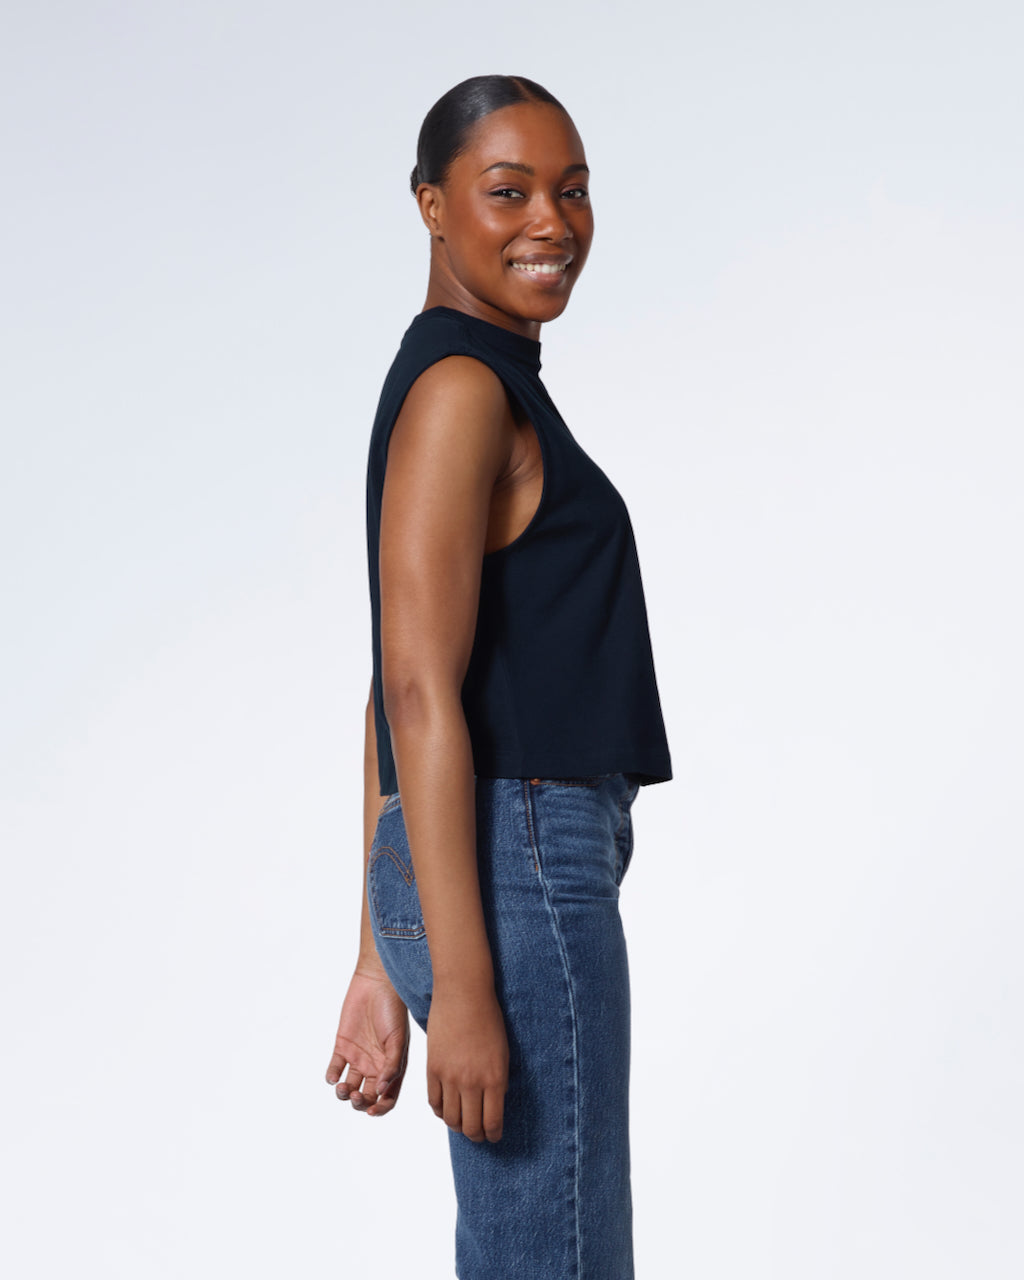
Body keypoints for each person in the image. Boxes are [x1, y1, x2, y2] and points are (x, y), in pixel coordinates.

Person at [325, 75, 672, 1279]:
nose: (552, 222)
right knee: (560, 1254)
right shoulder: (464, 390)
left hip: (472, 870)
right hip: (515, 873)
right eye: (507, 190)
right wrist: (460, 986)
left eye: (572, 191)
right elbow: (414, 689)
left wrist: (382, 952)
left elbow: (393, 685)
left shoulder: (465, 378)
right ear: (430, 205)